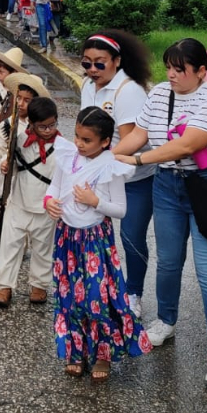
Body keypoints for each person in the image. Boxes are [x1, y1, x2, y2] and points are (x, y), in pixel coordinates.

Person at [114, 38, 207, 388]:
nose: (172, 75)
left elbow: (188, 144)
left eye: (181, 69)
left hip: (206, 187)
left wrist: (135, 161)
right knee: (168, 262)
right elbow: (139, 133)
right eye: (169, 67)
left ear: (201, 71)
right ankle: (165, 320)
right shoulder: (160, 94)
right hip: (167, 185)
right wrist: (105, 161)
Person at [45, 106, 151, 380]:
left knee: (96, 297)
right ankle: (75, 351)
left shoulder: (110, 167)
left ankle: (102, 354)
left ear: (105, 141)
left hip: (95, 241)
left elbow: (121, 209)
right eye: (77, 136)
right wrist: (50, 202)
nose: (79, 143)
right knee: (69, 296)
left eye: (87, 140)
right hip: (68, 238)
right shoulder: (68, 156)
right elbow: (54, 187)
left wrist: (96, 202)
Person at [78, 31, 152, 317]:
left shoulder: (128, 90)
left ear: (117, 61)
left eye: (100, 63)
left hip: (135, 178)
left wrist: (104, 160)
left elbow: (132, 140)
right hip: (101, 174)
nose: (93, 70)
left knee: (132, 237)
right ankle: (99, 288)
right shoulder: (89, 85)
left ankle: (133, 292)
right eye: (87, 63)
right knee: (94, 234)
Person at [0, 87, 61, 307]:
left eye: (52, 125)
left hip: (45, 207)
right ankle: (5, 286)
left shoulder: (63, 148)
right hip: (18, 203)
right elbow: (8, 162)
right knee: (10, 245)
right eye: (42, 126)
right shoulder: (17, 140)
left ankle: (39, 285)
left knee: (42, 248)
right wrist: (3, 165)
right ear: (30, 123)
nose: (48, 130)